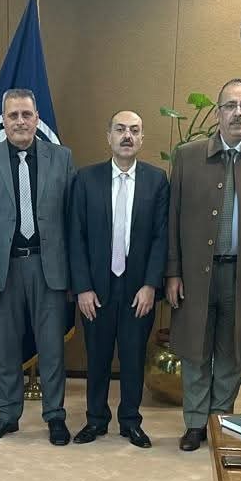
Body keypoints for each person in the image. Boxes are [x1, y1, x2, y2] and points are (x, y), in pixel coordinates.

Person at [165, 78, 241, 452]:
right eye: (230, 105)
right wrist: (172, 271)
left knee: (232, 351)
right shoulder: (188, 156)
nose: (238, 113)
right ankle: (194, 423)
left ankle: (219, 422)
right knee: (196, 349)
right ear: (218, 113)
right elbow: (172, 218)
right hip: (195, 274)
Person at [0, 88, 75, 445]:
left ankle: (55, 415)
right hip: (3, 271)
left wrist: (75, 277)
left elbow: (73, 221)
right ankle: (7, 414)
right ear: (3, 121)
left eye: (26, 114)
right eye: (13, 115)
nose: (20, 121)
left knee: (52, 349)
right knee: (6, 348)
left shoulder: (62, 158)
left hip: (49, 267)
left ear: (37, 118)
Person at [67, 110, 168, 448]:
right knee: (96, 357)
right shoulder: (86, 179)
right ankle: (95, 419)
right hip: (96, 287)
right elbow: (75, 236)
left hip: (138, 288)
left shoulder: (157, 180)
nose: (127, 136)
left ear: (142, 138)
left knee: (133, 356)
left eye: (134, 130)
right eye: (120, 129)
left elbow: (161, 237)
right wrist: (82, 287)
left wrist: (151, 285)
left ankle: (130, 421)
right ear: (108, 136)